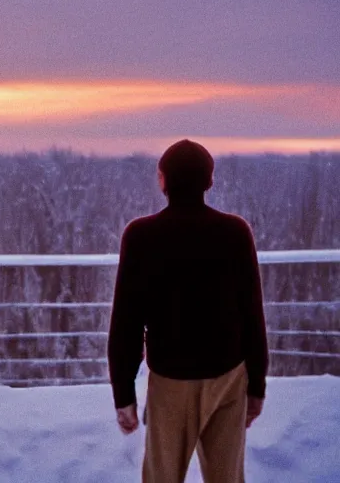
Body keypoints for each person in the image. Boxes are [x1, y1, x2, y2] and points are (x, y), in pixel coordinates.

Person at [107, 139, 269, 483]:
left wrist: (123, 393)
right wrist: (256, 383)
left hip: (170, 380)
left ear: (163, 180)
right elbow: (252, 314)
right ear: (208, 181)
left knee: (162, 477)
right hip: (227, 376)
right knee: (227, 478)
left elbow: (126, 322)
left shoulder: (141, 236)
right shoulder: (235, 232)